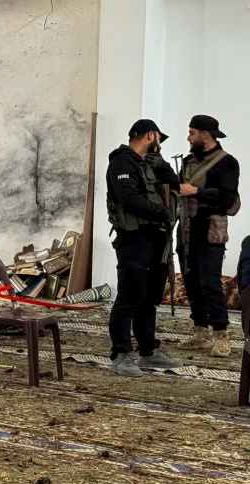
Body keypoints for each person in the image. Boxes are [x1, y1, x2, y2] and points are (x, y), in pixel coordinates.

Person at [106, 119, 183, 377]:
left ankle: (148, 351)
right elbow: (129, 199)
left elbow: (174, 183)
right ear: (151, 135)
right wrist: (161, 211)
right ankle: (120, 354)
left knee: (149, 299)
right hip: (134, 239)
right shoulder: (121, 162)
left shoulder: (148, 164)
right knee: (130, 296)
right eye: (158, 139)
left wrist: (160, 161)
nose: (159, 145)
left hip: (156, 238)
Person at [176, 115, 241, 357]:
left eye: (192, 132)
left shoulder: (227, 163)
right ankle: (200, 332)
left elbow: (227, 198)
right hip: (185, 229)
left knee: (210, 283)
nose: (188, 137)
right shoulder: (189, 161)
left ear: (205, 134)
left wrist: (196, 191)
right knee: (191, 281)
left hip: (210, 230)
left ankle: (221, 336)